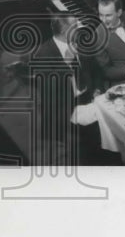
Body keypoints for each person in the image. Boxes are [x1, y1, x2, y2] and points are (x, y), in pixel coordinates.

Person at [29, 13, 102, 165]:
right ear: (65, 32)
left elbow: (95, 70)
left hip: (88, 97)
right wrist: (66, 63)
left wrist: (96, 89)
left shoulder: (81, 42)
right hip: (64, 106)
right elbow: (49, 93)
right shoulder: (42, 55)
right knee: (91, 144)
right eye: (75, 26)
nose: (80, 28)